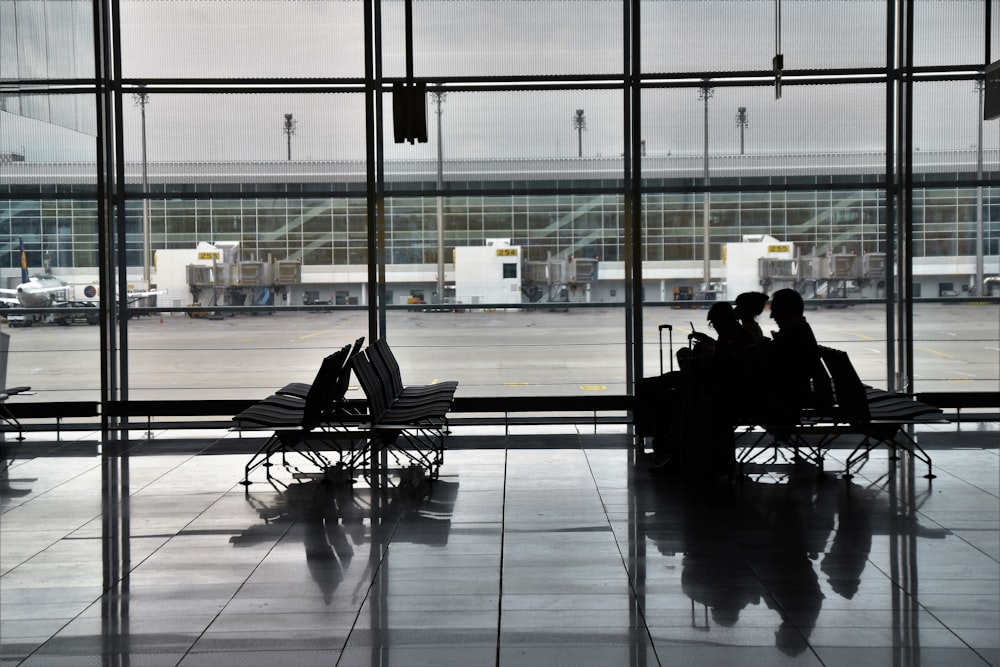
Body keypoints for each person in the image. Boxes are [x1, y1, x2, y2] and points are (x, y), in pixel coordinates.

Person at [762, 288, 824, 427]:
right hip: (793, 395)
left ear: (787, 311)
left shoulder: (791, 335)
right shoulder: (799, 331)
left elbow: (771, 364)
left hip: (787, 399)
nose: (772, 316)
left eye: (775, 310)